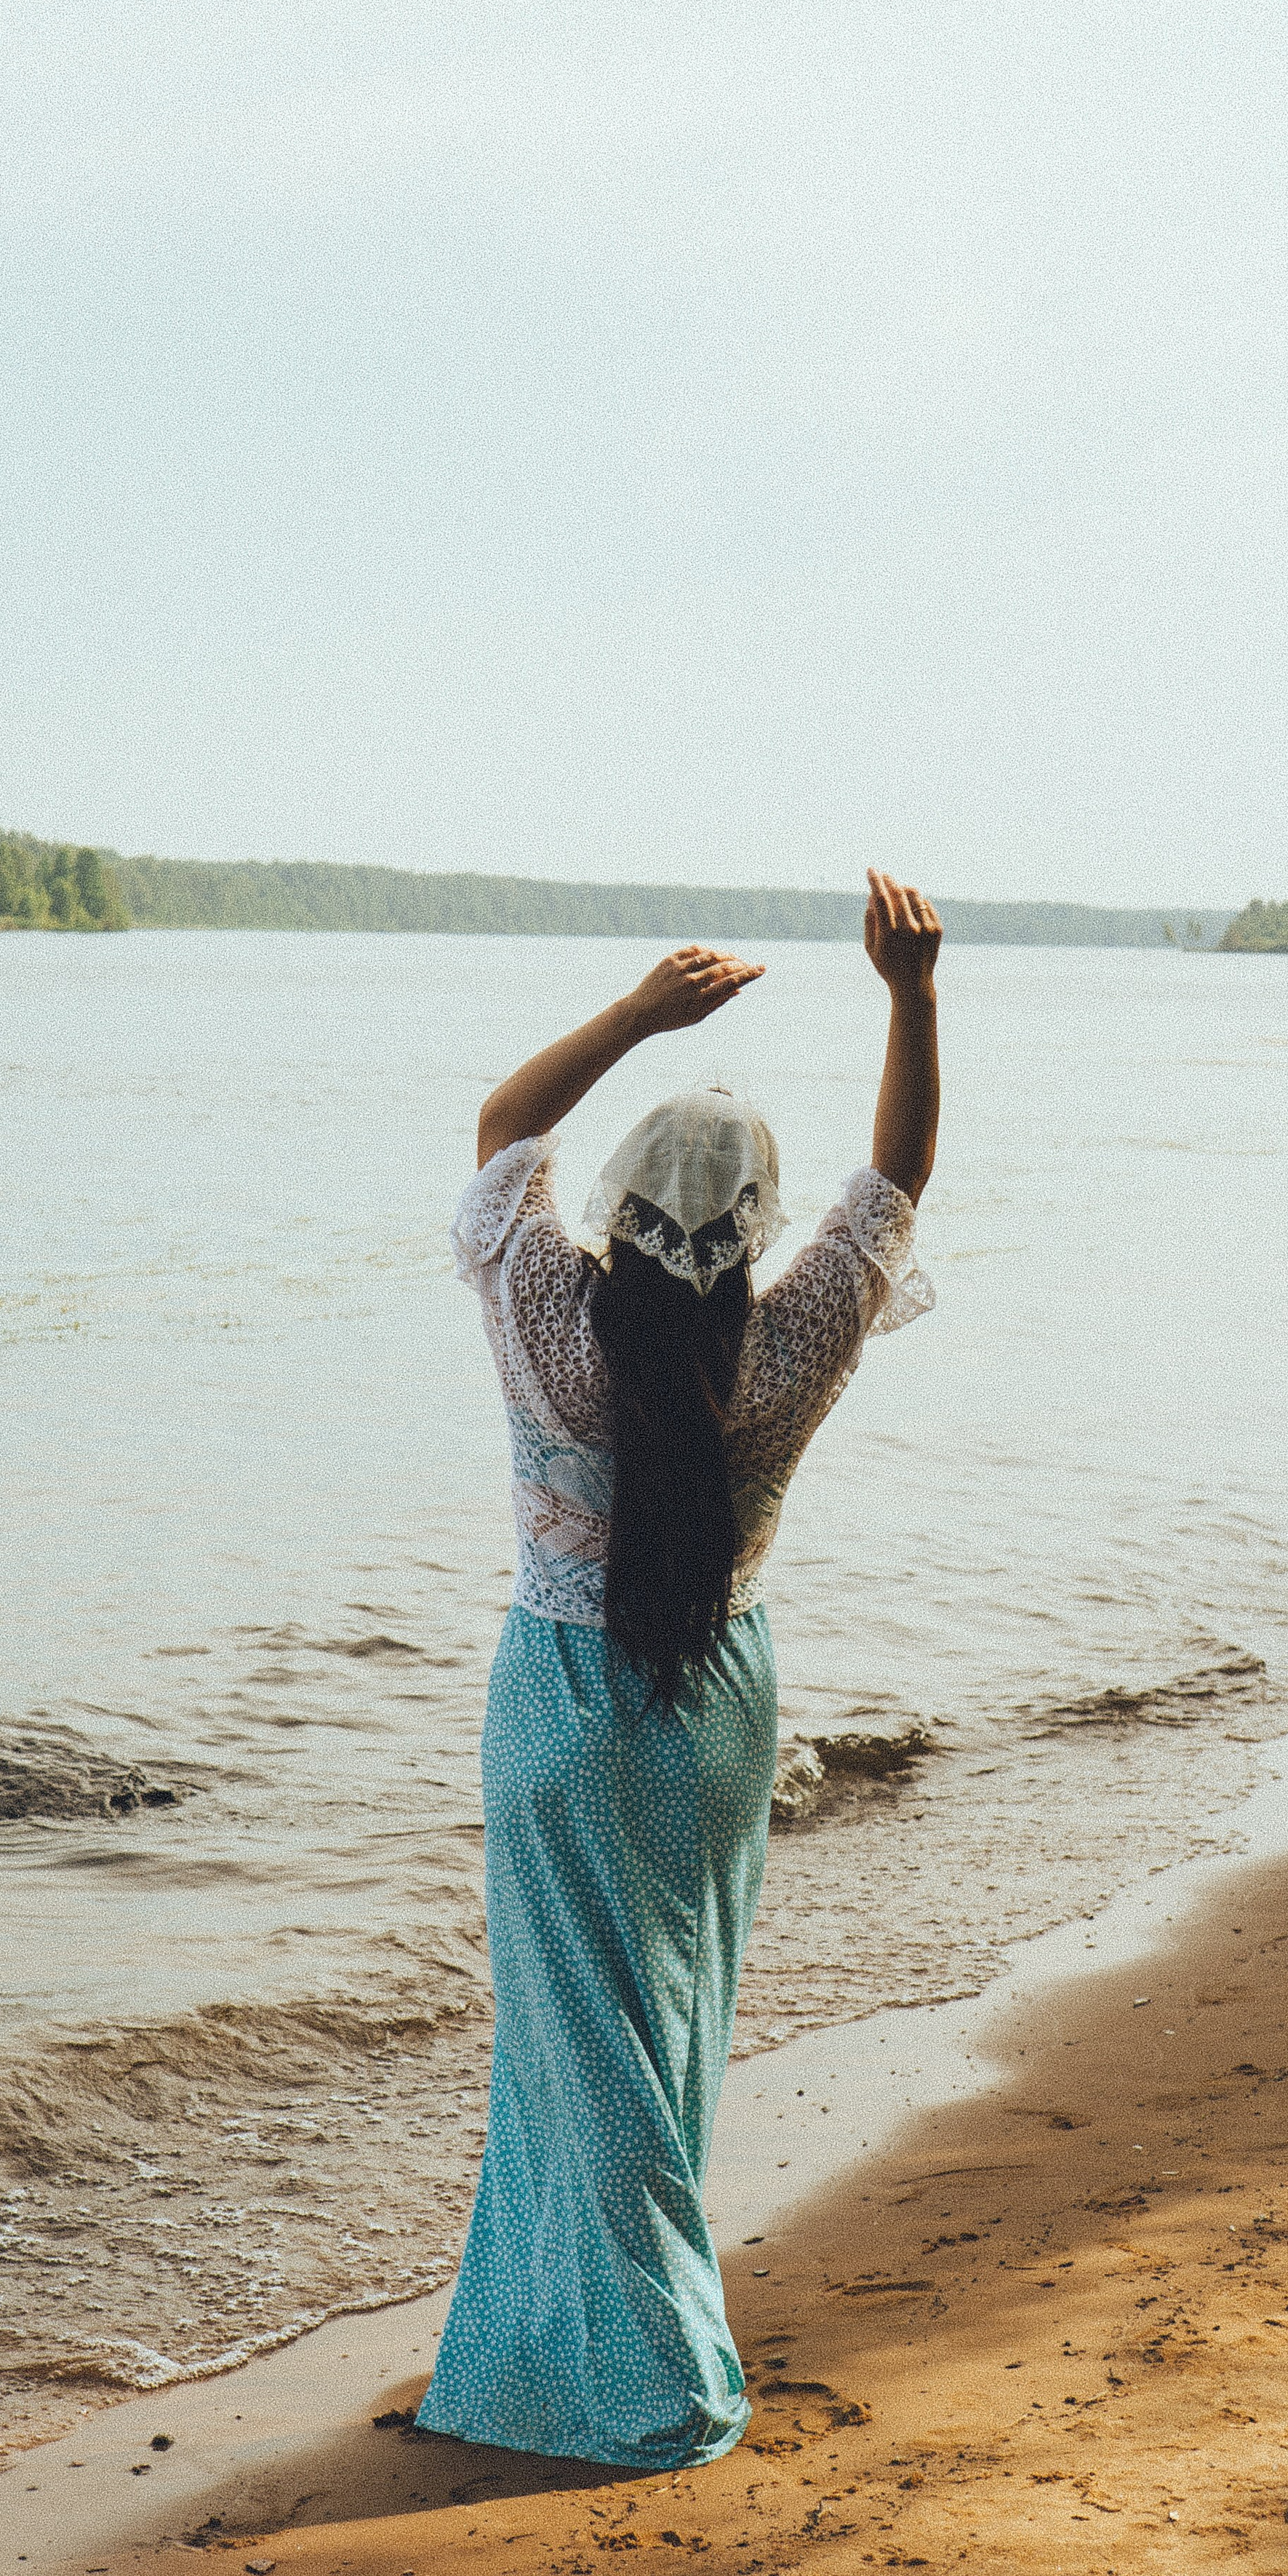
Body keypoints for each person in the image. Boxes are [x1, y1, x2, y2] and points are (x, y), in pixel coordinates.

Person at [416, 869, 943, 2471]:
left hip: (560, 1701)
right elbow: (896, 1176)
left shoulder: (541, 1309)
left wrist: (643, 1013)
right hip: (714, 1710)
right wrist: (907, 997)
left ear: (619, 1204)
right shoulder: (794, 1340)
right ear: (758, 1228)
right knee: (666, 2031)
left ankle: (644, 2378)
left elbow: (507, 1128)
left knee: (567, 2043)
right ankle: (564, 2353)